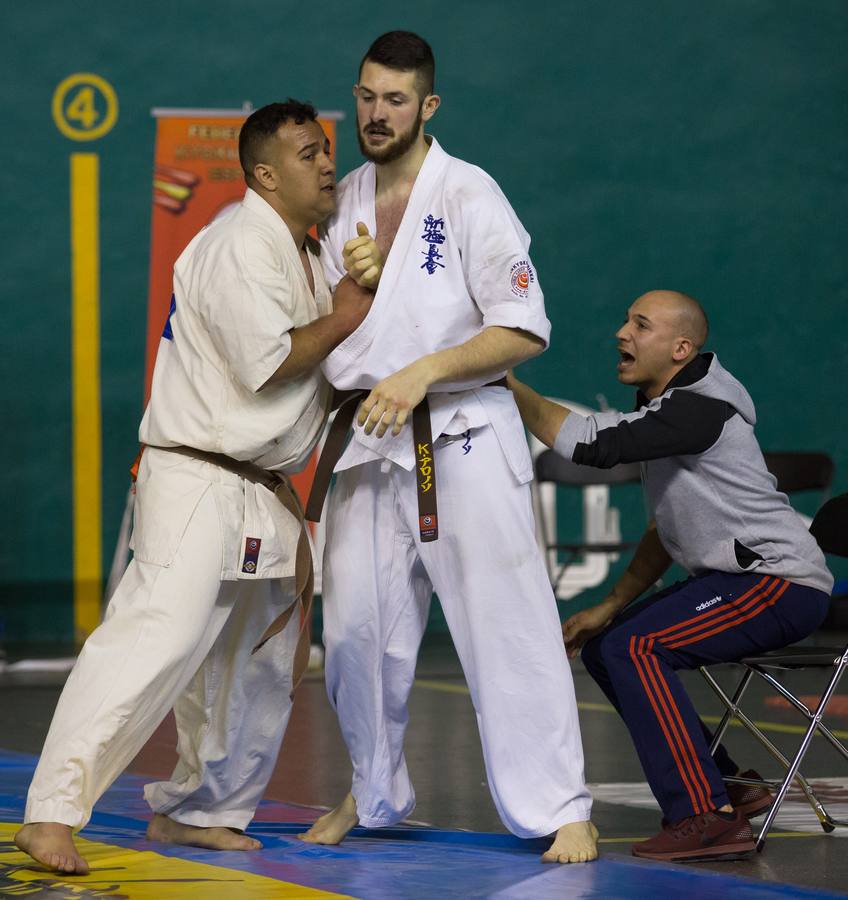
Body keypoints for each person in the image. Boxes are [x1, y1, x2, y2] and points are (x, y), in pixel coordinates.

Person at [15, 100, 376, 875]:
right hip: (197, 476)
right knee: (156, 640)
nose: (326, 165)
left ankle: (201, 808)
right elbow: (270, 361)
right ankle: (50, 812)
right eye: (309, 153)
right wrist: (348, 316)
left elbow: (320, 374)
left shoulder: (304, 251)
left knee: (256, 658)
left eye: (326, 150)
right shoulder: (238, 244)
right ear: (265, 174)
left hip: (261, 484)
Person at [299, 31, 598, 864]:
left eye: (396, 100)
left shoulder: (469, 194)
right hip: (368, 440)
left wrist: (425, 371)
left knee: (505, 621)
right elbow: (331, 327)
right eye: (366, 96)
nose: (377, 113)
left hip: (460, 434)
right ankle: (373, 788)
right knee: (357, 631)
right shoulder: (345, 198)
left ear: (428, 105)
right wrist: (354, 284)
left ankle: (562, 803)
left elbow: (523, 328)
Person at [509, 289, 833, 862]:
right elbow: (665, 532)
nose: (621, 333)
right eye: (625, 321)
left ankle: (702, 815)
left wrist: (500, 381)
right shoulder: (669, 410)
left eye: (640, 325)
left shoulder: (699, 407)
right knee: (609, 646)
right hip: (740, 583)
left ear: (681, 348)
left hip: (781, 585)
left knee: (638, 647)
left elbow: (592, 444)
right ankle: (729, 786)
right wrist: (608, 606)